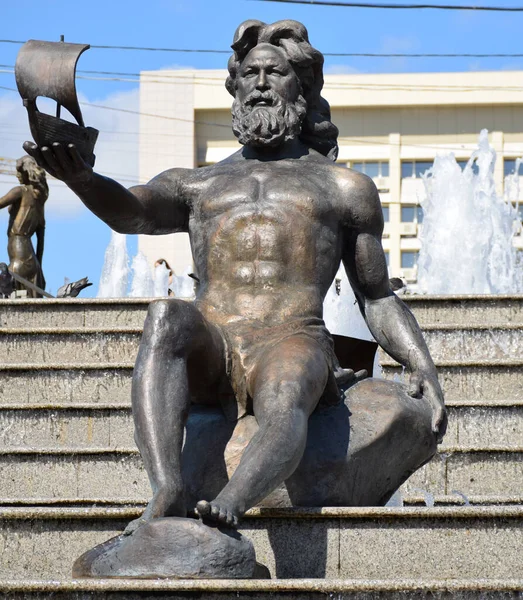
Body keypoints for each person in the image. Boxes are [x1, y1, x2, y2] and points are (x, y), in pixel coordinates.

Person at [23, 19, 446, 530]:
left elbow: (375, 296)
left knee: (287, 390)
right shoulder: (197, 183)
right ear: (236, 87)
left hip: (292, 336)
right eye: (250, 73)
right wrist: (84, 180)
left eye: (276, 71)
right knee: (166, 316)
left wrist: (423, 365)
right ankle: (167, 487)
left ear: (302, 87)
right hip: (216, 341)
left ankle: (235, 498)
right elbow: (131, 213)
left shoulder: (344, 187)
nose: (261, 82)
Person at [0, 156, 48, 297]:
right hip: (31, 257)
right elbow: (41, 238)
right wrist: (38, 266)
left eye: (18, 171)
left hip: (19, 249)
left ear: (26, 173)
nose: (16, 175)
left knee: (10, 285)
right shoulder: (39, 200)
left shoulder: (20, 191)